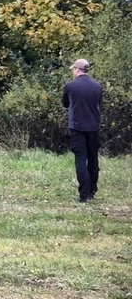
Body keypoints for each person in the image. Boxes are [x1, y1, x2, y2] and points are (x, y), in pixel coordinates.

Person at [62, 58, 103, 203]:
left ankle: (84, 194)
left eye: (73, 69)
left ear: (77, 70)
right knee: (93, 158)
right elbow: (99, 104)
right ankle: (92, 190)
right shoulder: (97, 86)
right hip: (94, 127)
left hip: (77, 128)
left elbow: (65, 104)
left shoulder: (70, 86)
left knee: (80, 159)